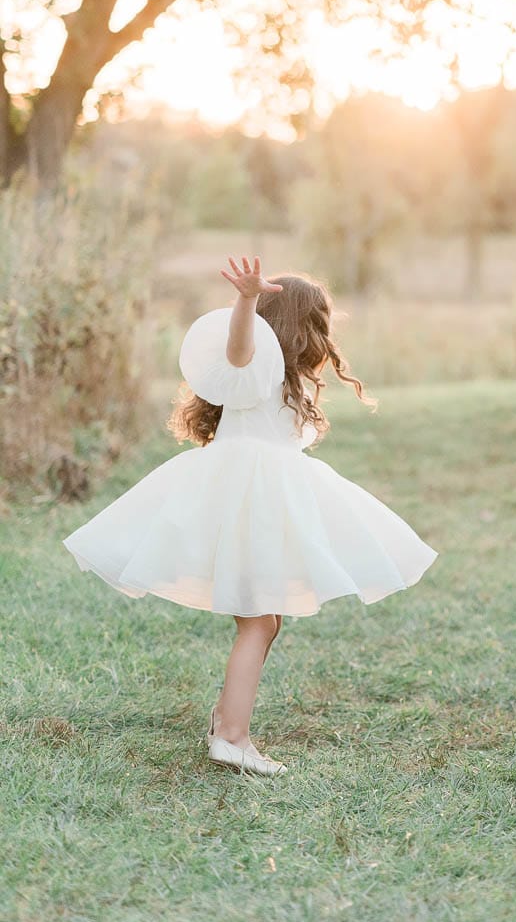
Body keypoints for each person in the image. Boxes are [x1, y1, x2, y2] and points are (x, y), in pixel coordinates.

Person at [64, 257, 437, 776]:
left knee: (268, 618)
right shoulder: (255, 364)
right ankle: (233, 738)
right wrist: (244, 302)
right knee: (259, 620)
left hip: (260, 495)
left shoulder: (287, 377)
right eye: (320, 321)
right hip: (247, 498)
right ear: (300, 324)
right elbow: (239, 350)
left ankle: (225, 723)